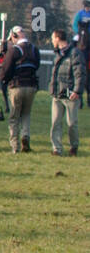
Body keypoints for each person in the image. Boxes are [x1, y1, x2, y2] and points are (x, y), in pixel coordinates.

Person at [0, 26, 40, 153]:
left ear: (14, 36)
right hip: (31, 86)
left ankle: (15, 146)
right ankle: (26, 137)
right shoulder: (35, 49)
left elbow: (6, 71)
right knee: (26, 114)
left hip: (17, 86)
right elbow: (37, 65)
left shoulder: (14, 50)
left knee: (14, 117)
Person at [48, 28, 84, 157]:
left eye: (53, 38)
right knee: (55, 122)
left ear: (58, 39)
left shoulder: (74, 53)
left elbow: (80, 73)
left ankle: (73, 147)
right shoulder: (57, 53)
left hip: (70, 93)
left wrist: (77, 90)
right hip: (57, 93)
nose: (52, 41)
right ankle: (56, 148)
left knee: (71, 123)